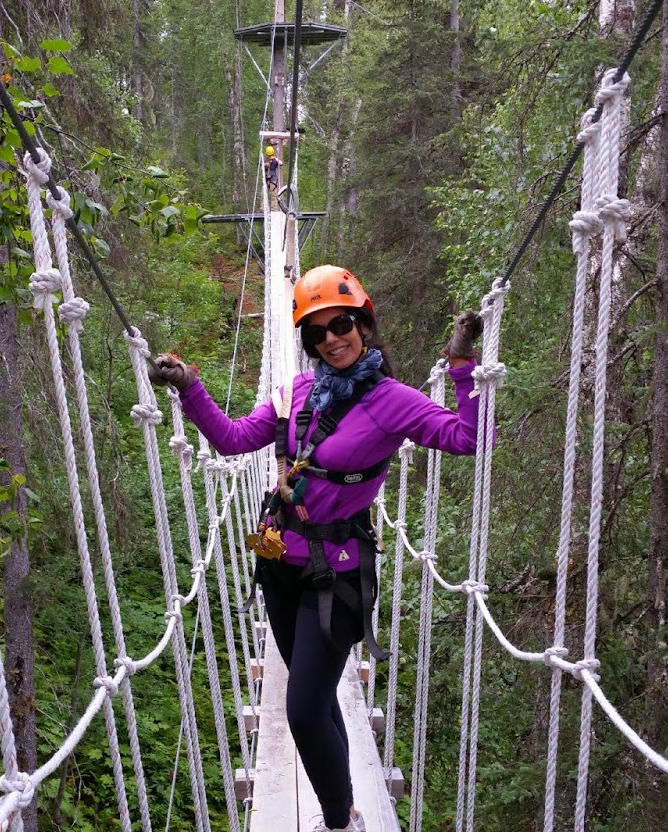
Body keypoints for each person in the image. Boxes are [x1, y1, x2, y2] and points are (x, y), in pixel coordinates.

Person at [150, 265, 487, 832]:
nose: (331, 339)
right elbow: (233, 440)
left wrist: (461, 365)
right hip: (280, 566)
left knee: (304, 711)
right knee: (319, 698)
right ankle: (347, 801)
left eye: (342, 324)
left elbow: (468, 437)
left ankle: (338, 822)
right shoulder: (296, 393)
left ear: (363, 324)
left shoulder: (393, 401)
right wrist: (189, 386)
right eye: (316, 332)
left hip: (338, 577)